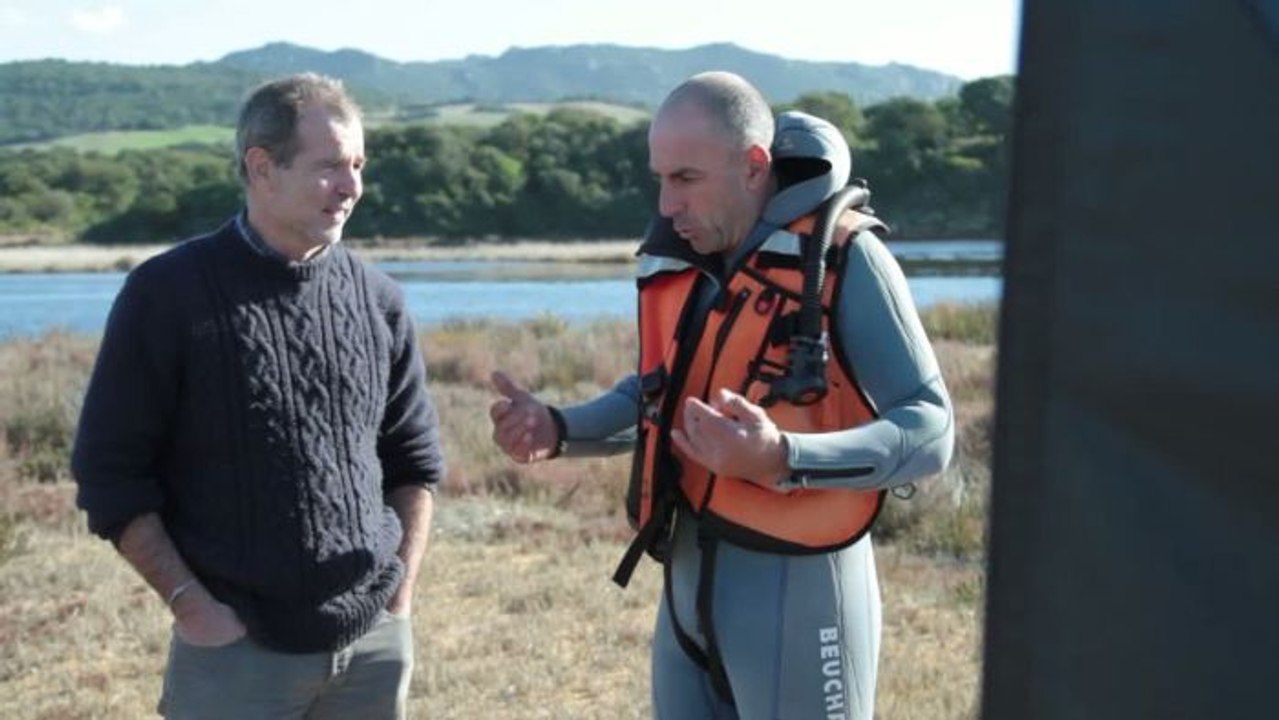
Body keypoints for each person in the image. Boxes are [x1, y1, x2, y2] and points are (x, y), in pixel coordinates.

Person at [489, 71, 953, 719]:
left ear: (754, 165)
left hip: (800, 585)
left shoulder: (845, 257)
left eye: (686, 178)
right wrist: (559, 428)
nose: (666, 204)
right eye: (660, 179)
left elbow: (931, 430)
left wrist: (784, 457)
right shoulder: (691, 261)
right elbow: (658, 397)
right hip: (688, 587)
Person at [71, 73, 445, 719]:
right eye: (329, 166)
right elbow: (109, 474)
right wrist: (192, 606)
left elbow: (413, 462)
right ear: (261, 167)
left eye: (358, 165)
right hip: (235, 654)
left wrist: (399, 596)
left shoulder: (379, 299)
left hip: (373, 648)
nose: (351, 186)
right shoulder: (168, 294)